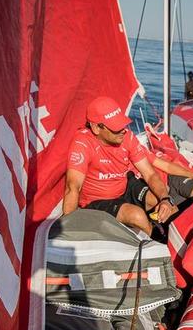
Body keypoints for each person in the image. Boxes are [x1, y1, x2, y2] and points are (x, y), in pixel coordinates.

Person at [63, 96, 178, 235]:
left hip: (124, 188)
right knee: (137, 215)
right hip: (96, 201)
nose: (123, 131)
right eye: (116, 128)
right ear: (96, 128)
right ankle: (157, 242)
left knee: (166, 205)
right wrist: (69, 228)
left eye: (123, 124)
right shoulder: (82, 143)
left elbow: (150, 174)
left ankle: (172, 237)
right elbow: (73, 186)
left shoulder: (127, 136)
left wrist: (165, 200)